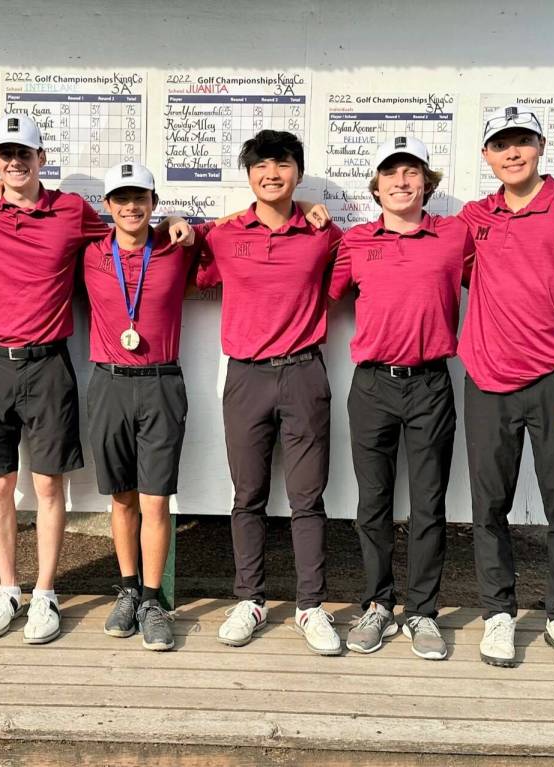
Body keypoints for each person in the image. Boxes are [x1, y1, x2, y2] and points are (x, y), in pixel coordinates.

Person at [0, 115, 192, 645]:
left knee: (48, 485)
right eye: (5, 154)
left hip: (48, 363)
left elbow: (136, 228)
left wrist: (176, 216)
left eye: (26, 154)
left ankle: (45, 593)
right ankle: (7, 587)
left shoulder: (72, 213)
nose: (15, 163)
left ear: (43, 160)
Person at [459, 106, 554, 672]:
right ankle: (497, 613)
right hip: (488, 381)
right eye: (501, 143)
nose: (512, 152)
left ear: (541, 145)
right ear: (486, 155)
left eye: (522, 141)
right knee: (488, 505)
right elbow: (412, 230)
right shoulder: (475, 216)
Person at [197, 130, 344, 655]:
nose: (271, 173)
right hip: (246, 376)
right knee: (248, 496)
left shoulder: (324, 233)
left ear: (297, 173)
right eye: (261, 165)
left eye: (282, 164)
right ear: (249, 174)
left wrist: (313, 209)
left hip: (304, 373)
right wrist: (173, 224)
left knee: (307, 498)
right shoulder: (225, 234)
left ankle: (310, 606)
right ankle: (251, 599)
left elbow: (370, 257)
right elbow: (180, 248)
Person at [329, 137, 473, 660]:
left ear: (426, 185)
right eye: (391, 174)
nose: (402, 182)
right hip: (371, 386)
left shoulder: (455, 237)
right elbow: (312, 288)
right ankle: (377, 604)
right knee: (373, 502)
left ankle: (422, 612)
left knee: (429, 503)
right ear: (377, 187)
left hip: (432, 383)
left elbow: (505, 274)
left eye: (412, 173)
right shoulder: (354, 242)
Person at [84, 162, 206, 651]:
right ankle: (129, 589)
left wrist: (188, 223)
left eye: (141, 198)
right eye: (121, 198)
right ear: (108, 207)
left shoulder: (177, 250)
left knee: (156, 499)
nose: (131, 207)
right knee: (121, 497)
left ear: (154, 204)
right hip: (108, 383)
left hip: (160, 382)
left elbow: (243, 223)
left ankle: (155, 599)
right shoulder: (90, 253)